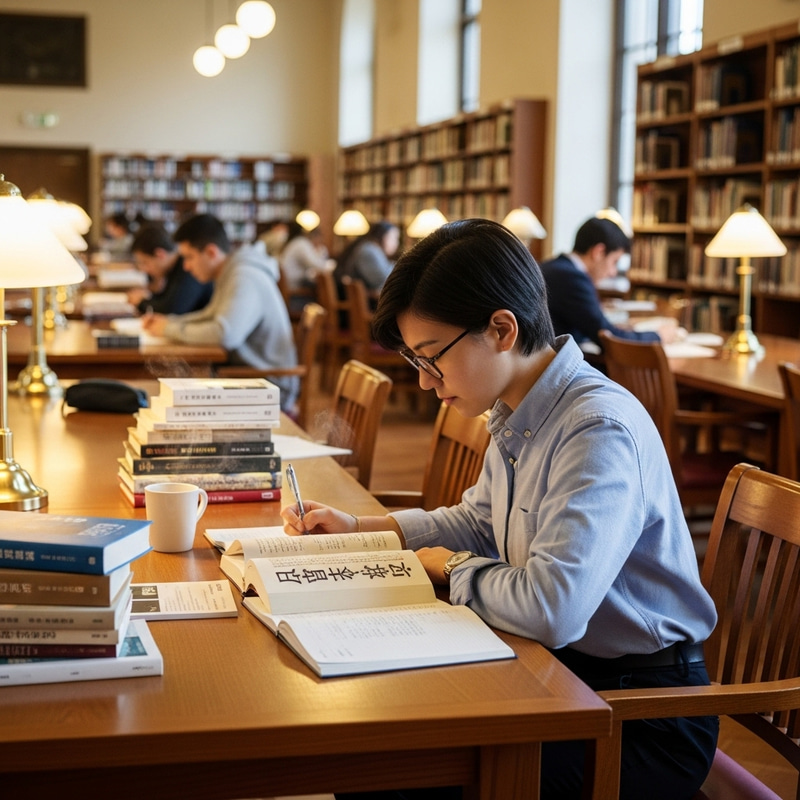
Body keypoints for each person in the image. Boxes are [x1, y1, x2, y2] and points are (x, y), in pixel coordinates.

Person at [281, 218, 719, 800]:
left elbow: (551, 608)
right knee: (371, 729)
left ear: (501, 329)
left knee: (388, 770)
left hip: (640, 713)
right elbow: (481, 521)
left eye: (432, 358)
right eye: (416, 362)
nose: (426, 383)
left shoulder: (596, 431)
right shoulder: (515, 409)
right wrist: (362, 529)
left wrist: (449, 567)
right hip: (560, 671)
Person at [142, 213, 298, 412]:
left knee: (170, 402)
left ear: (211, 252)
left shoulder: (244, 276)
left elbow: (224, 334)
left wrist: (168, 329)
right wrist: (169, 322)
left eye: (189, 257)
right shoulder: (231, 271)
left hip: (267, 386)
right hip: (245, 376)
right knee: (168, 397)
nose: (186, 267)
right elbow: (211, 315)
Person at [540, 216, 682, 350]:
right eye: (614, 261)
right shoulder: (572, 278)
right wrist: (658, 336)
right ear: (599, 252)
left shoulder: (553, 267)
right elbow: (608, 338)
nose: (613, 272)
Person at [128, 223, 213, 315]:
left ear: (160, 254)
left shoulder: (187, 268)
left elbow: (172, 309)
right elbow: (167, 299)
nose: (144, 269)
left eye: (145, 262)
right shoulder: (174, 267)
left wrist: (142, 302)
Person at [334, 220, 400, 296]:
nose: (396, 243)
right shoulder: (369, 251)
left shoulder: (368, 247)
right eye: (394, 238)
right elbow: (386, 281)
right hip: (365, 303)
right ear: (383, 236)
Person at [278, 221, 329, 308]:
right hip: (294, 294)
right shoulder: (301, 243)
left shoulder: (294, 242)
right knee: (321, 300)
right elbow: (315, 264)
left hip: (287, 292)